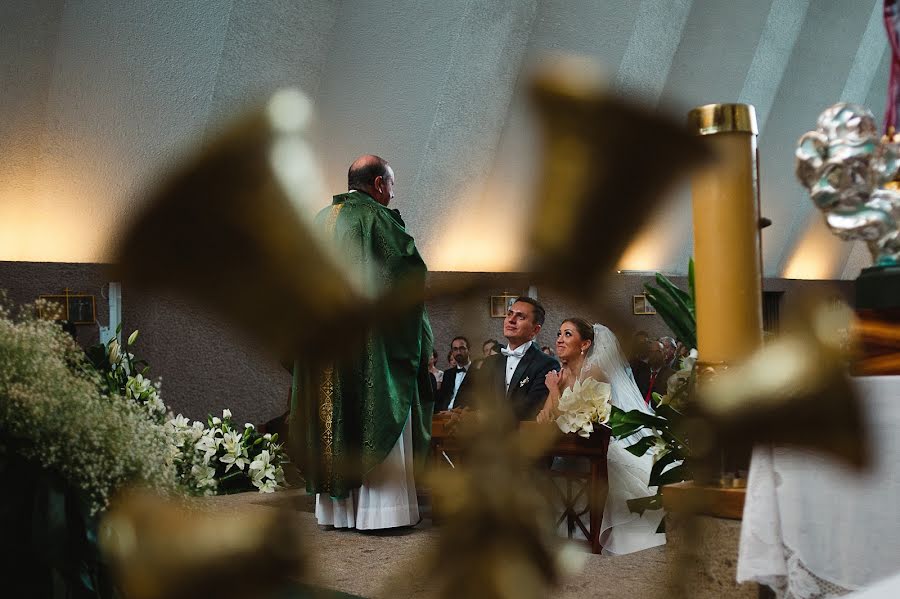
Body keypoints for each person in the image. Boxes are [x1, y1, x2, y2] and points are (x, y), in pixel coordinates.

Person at [289, 154, 434, 530]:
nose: (391, 194)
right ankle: (380, 514)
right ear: (379, 185)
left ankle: (337, 513)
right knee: (373, 407)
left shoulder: (320, 221)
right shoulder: (378, 219)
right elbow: (406, 280)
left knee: (334, 419)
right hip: (369, 346)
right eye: (392, 186)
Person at [536, 319, 665, 555]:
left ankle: (594, 533)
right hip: (572, 448)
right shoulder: (561, 374)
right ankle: (569, 531)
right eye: (558, 333)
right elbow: (549, 414)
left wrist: (553, 390)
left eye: (567, 334)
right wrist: (547, 408)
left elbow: (573, 417)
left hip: (599, 444)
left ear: (585, 344)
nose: (559, 339)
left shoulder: (594, 372)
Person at [453, 297, 558, 421]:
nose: (511, 320)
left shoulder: (547, 364)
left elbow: (530, 409)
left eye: (520, 317)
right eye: (509, 314)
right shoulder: (490, 362)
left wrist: (483, 416)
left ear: (535, 330)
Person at [435, 336, 472, 412]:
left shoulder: (477, 372)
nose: (458, 352)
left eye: (462, 348)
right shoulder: (447, 374)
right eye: (455, 349)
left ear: (468, 350)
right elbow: (443, 397)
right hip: (445, 415)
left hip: (465, 416)